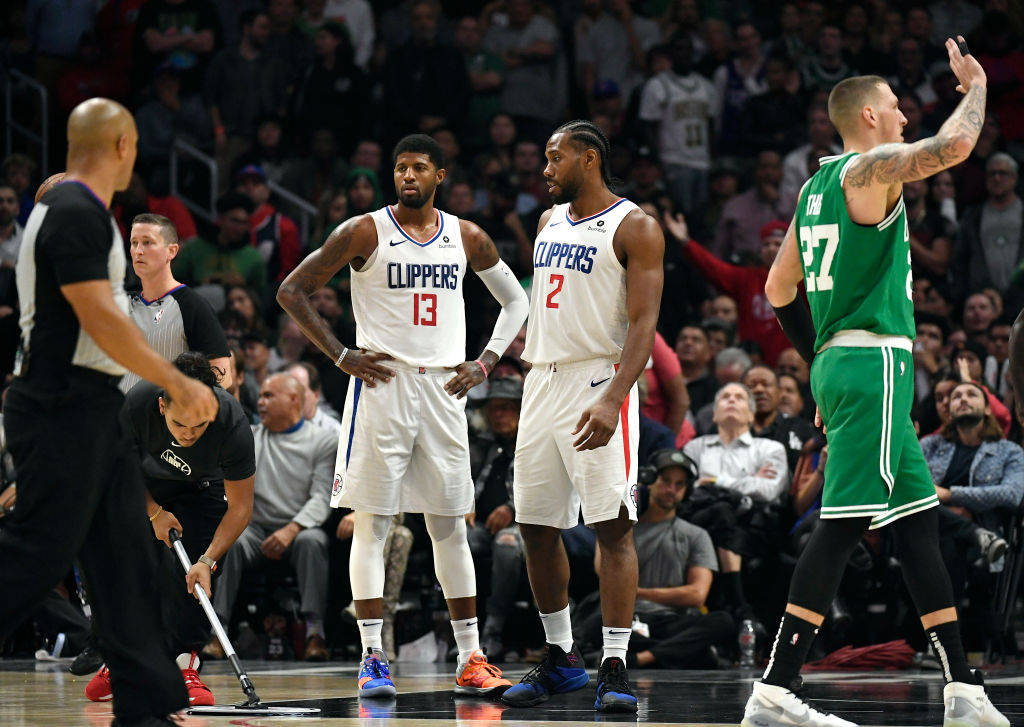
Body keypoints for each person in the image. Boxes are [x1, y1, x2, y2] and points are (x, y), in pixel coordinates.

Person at [749, 40, 1008, 727]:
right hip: (874, 362)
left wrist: (818, 361)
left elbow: (779, 287)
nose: (904, 115)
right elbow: (951, 148)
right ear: (868, 115)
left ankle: (962, 688)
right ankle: (776, 686)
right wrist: (977, 86)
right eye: (895, 108)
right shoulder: (868, 170)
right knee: (843, 523)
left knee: (919, 525)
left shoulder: (813, 189)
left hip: (843, 361)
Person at [276, 134, 529, 696]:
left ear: (440, 175)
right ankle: (372, 657)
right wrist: (341, 354)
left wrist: (487, 361)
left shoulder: (467, 236)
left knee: (448, 528)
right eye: (399, 168)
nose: (407, 176)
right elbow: (292, 290)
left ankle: (471, 658)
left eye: (419, 167)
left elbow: (518, 300)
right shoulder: (364, 230)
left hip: (443, 389)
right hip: (382, 385)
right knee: (373, 525)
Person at [0, 98, 217, 727]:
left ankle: (147, 703)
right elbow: (98, 315)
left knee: (122, 557)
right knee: (35, 553)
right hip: (60, 404)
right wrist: (175, 380)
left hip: (92, 407)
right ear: (122, 145)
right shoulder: (74, 211)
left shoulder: (76, 211)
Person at [501, 120, 664, 714]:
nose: (544, 169)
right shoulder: (547, 222)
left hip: (600, 376)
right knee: (536, 525)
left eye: (553, 157)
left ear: (588, 158)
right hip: (541, 379)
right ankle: (562, 656)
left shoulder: (636, 225)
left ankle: (615, 663)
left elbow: (644, 325)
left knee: (611, 524)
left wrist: (614, 396)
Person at [86, 352, 255, 706]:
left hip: (204, 490)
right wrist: (153, 512)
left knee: (191, 576)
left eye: (199, 426)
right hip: (145, 484)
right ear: (163, 406)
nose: (189, 434)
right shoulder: (136, 405)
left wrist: (207, 561)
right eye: (180, 425)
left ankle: (185, 665)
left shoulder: (233, 424)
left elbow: (241, 507)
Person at [211, 373, 336, 661]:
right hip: (254, 527)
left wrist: (291, 529)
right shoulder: (249, 436)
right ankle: (218, 630)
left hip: (299, 529)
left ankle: (315, 633)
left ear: (294, 399)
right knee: (231, 540)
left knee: (314, 542)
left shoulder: (323, 440)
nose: (260, 402)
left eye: (269, 396)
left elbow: (321, 496)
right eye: (261, 396)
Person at [121, 213, 232, 392]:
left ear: (171, 251)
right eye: (134, 243)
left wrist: (180, 408)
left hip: (164, 417)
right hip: (117, 417)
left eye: (147, 242)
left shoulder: (192, 305)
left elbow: (223, 378)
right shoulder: (122, 303)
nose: (138, 251)